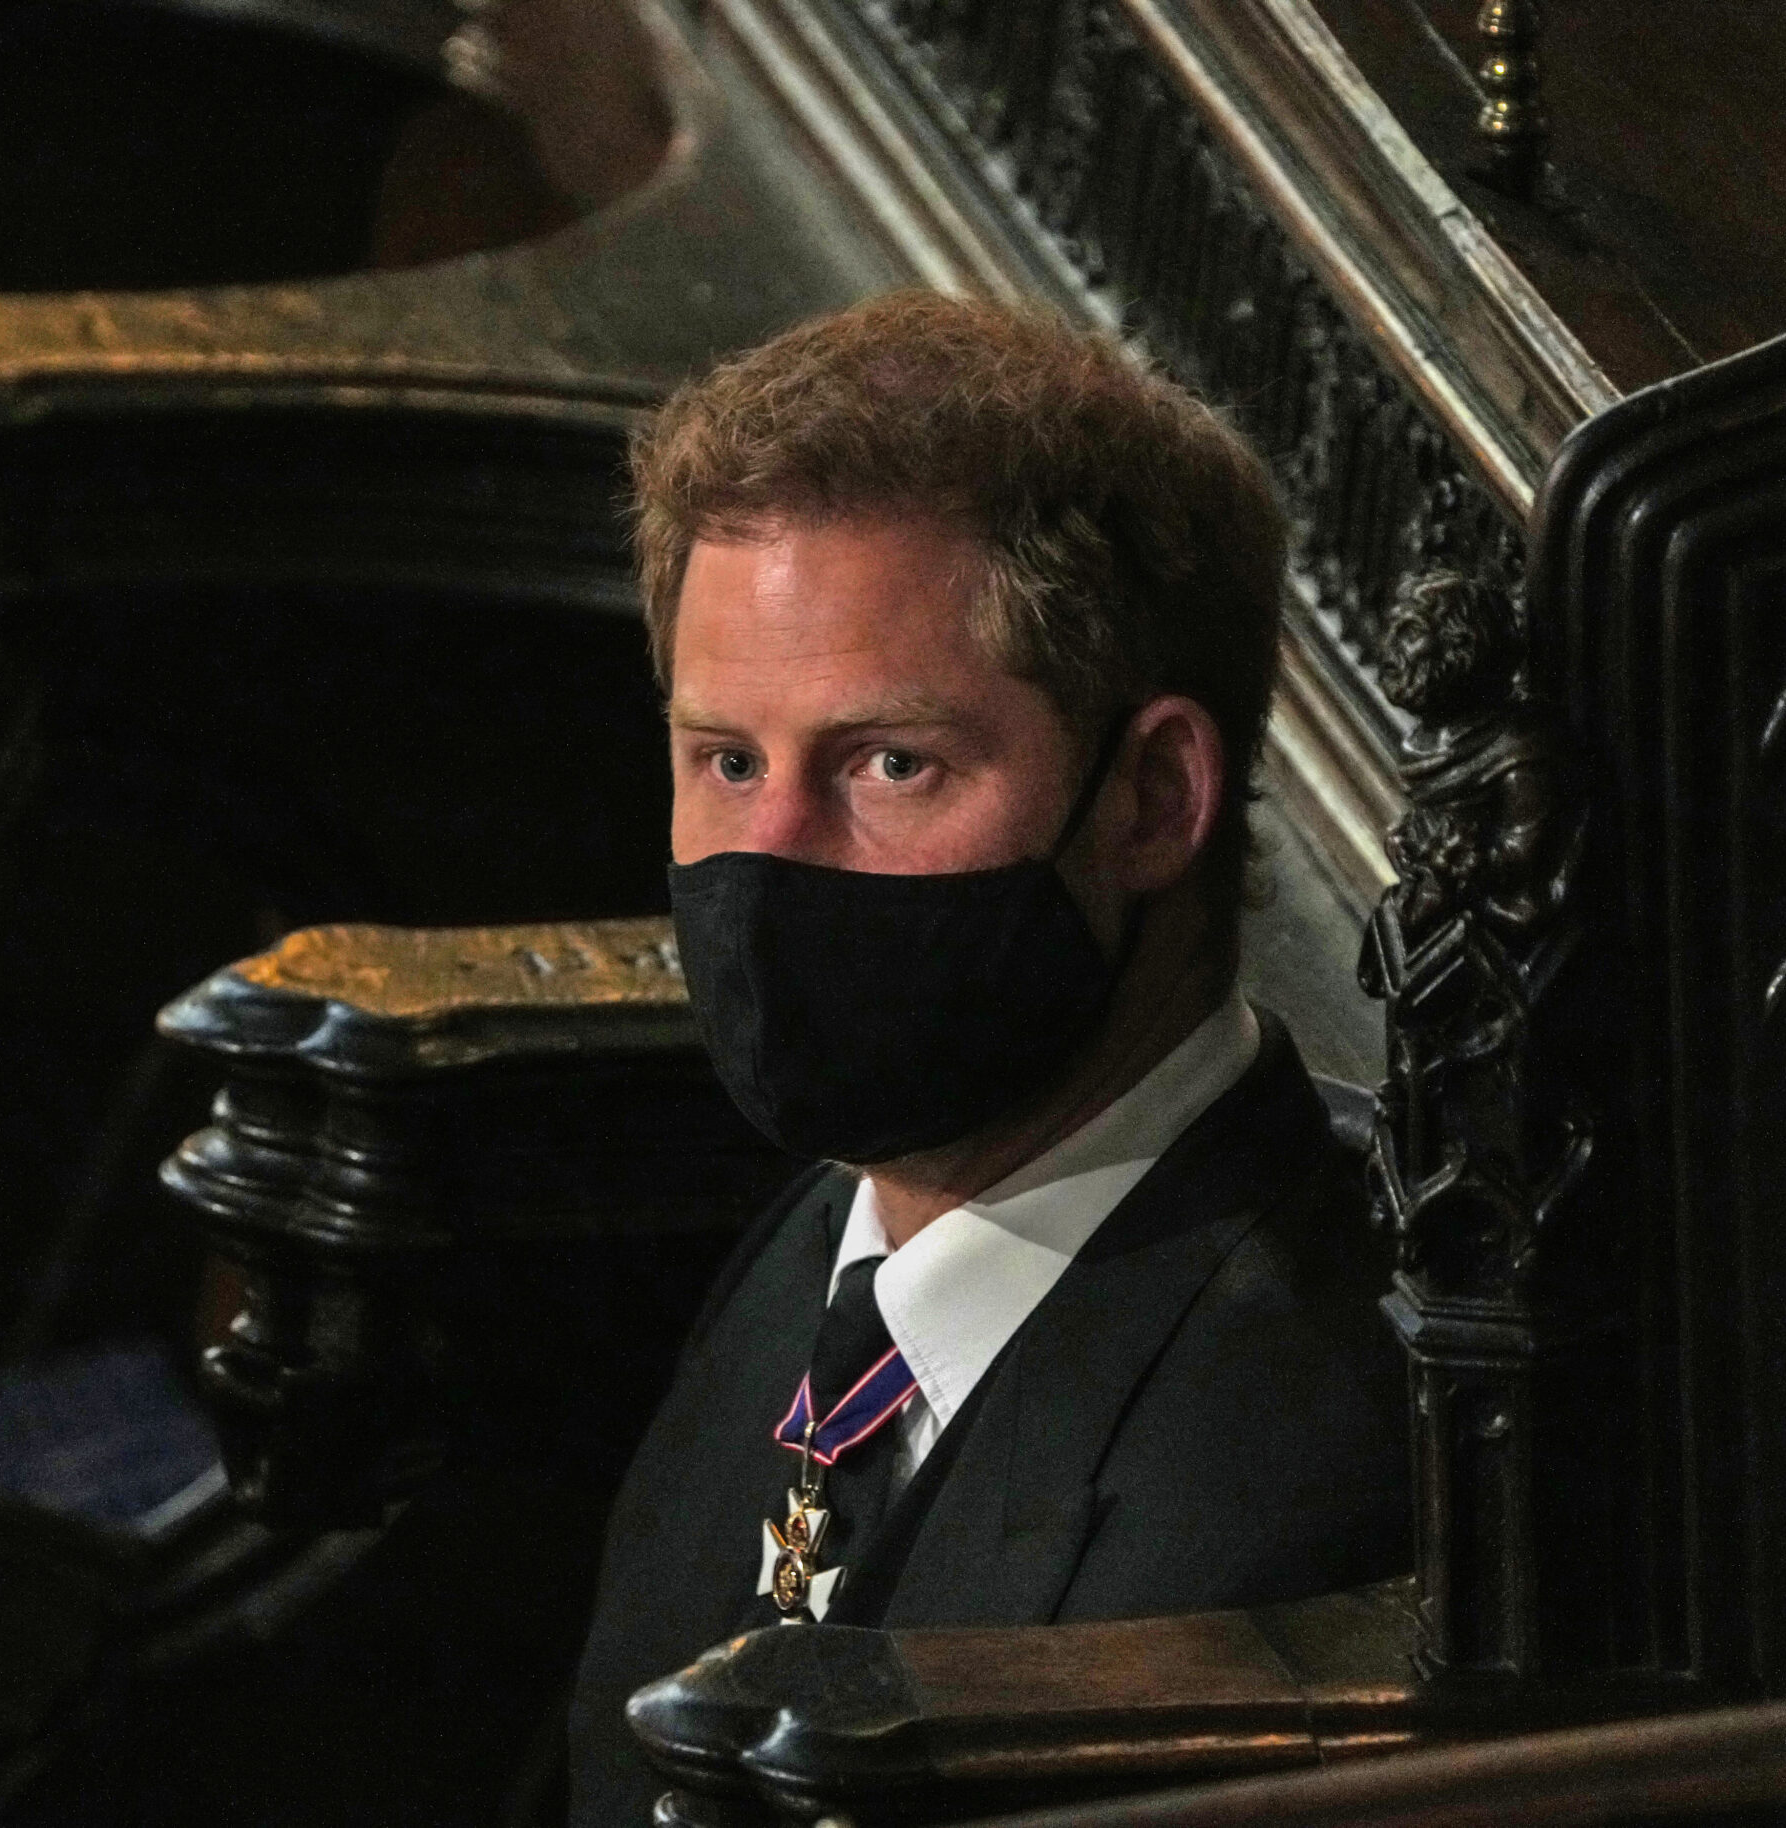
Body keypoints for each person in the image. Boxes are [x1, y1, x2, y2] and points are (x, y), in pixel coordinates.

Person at [566, 291, 1410, 1825]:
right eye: (727, 761)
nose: (767, 864)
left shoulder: (1281, 1486)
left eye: (893, 764)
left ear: (1152, 799)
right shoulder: (831, 1244)